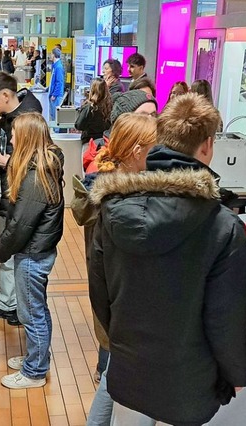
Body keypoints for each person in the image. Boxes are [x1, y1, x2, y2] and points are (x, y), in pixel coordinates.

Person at [88, 92, 246, 425]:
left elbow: (100, 294)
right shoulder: (224, 225)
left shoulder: (112, 209)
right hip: (188, 382)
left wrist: (121, 342)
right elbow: (226, 318)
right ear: (206, 145)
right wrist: (238, 373)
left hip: (128, 370)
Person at [76, 113, 157, 424]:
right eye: (155, 147)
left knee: (112, 377)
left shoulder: (109, 188)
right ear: (137, 150)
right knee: (115, 379)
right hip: (125, 308)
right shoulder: (123, 199)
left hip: (114, 305)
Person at [0, 112, 65, 389]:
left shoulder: (36, 176)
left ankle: (34, 371)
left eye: (14, 134)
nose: (10, 138)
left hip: (32, 255)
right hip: (41, 251)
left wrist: (0, 252)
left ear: (26, 138)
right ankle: (36, 357)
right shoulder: (46, 164)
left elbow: (20, 225)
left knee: (31, 314)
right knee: (37, 310)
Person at [0, 71, 43, 326]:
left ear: (6, 95)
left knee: (19, 256)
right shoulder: (6, 117)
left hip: (20, 199)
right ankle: (7, 302)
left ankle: (18, 306)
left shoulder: (28, 119)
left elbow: (42, 160)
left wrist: (11, 162)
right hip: (6, 198)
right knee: (6, 253)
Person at [74, 77, 112, 143]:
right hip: (104, 141)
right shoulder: (108, 106)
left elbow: (79, 125)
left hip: (89, 141)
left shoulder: (89, 107)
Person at [48, 47, 65, 125]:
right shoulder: (55, 66)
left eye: (51, 54)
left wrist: (54, 94)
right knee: (52, 116)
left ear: (54, 55)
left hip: (56, 96)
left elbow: (59, 82)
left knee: (55, 117)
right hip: (53, 94)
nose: (50, 55)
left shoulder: (58, 67)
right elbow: (53, 81)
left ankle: (56, 133)